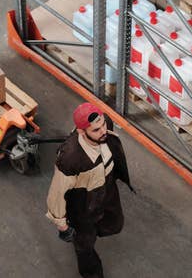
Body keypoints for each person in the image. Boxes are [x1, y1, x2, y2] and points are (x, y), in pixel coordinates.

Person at [46, 102, 133, 278]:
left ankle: (92, 231)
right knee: (85, 245)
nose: (103, 131)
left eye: (103, 125)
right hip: (82, 205)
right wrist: (62, 224)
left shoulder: (104, 126)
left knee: (115, 224)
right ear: (81, 132)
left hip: (107, 191)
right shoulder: (70, 159)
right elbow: (57, 193)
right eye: (96, 130)